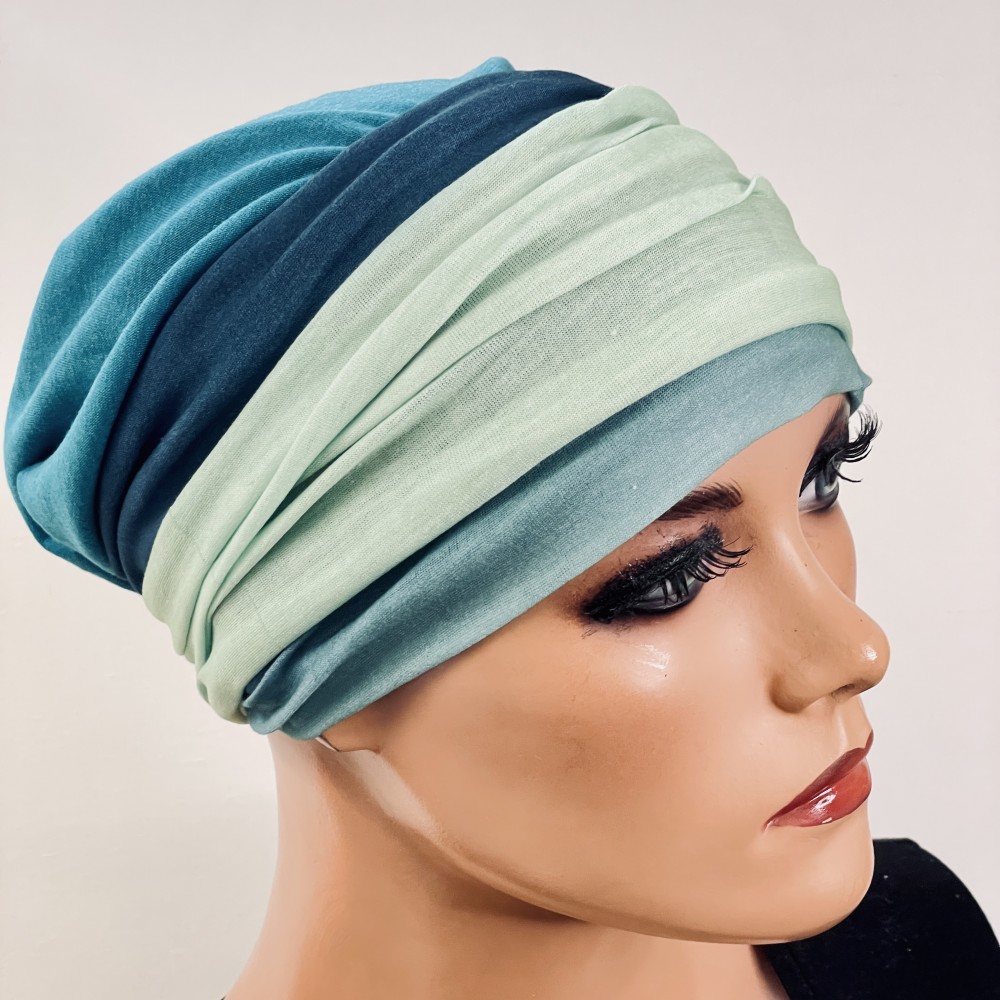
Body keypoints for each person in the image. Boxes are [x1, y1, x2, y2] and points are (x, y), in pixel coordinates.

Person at [5, 56, 998, 1000]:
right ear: (315, 661)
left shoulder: (925, 946)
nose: (856, 650)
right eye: (669, 578)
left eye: (822, 478)